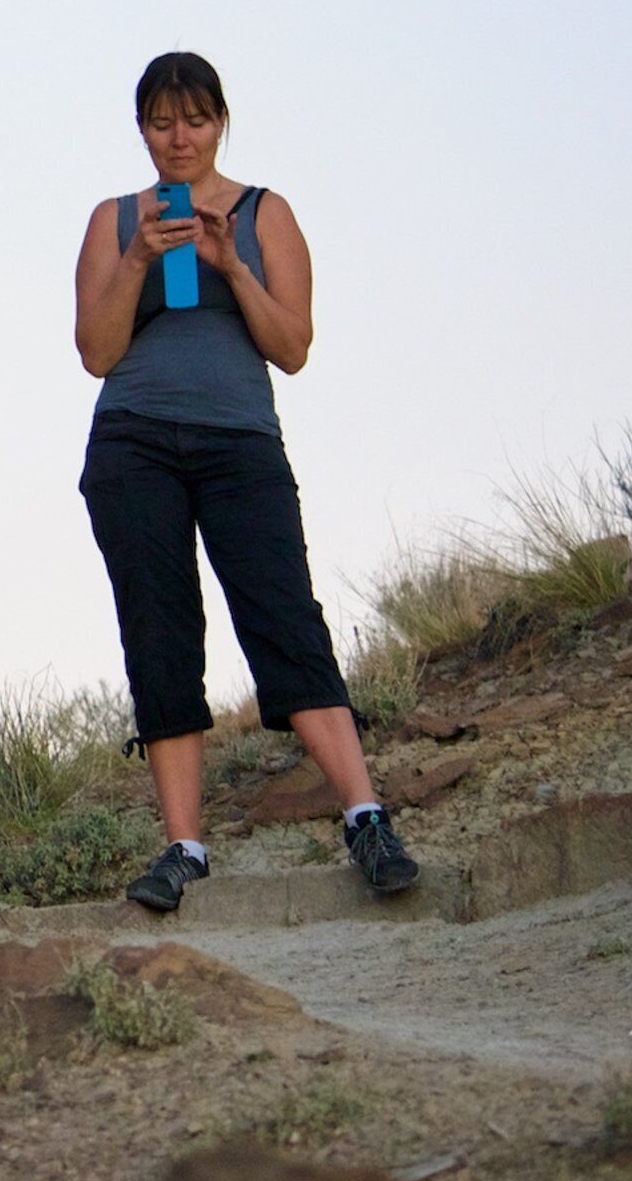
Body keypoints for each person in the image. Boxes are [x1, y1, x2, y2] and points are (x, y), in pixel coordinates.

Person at [70, 51, 416, 912]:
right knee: (159, 628)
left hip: (239, 442)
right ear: (140, 131)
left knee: (283, 616)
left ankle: (366, 817)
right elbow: (95, 352)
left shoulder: (266, 214)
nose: (178, 137)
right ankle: (183, 847)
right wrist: (140, 259)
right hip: (133, 442)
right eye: (160, 121)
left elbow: (292, 348)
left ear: (221, 121)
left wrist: (229, 265)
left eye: (194, 118)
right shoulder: (113, 220)